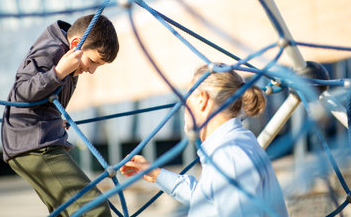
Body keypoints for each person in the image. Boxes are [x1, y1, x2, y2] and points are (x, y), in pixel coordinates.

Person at [120, 64, 289, 217]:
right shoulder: (233, 146)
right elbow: (206, 197)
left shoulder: (229, 155)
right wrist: (156, 174)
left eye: (187, 97)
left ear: (202, 99)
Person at [1, 14, 119, 216]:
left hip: (33, 141)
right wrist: (58, 72)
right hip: (36, 145)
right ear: (75, 43)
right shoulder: (52, 51)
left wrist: (55, 118)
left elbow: (42, 100)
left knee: (67, 212)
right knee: (95, 209)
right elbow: (20, 93)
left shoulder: (67, 56)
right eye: (92, 61)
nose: (91, 70)